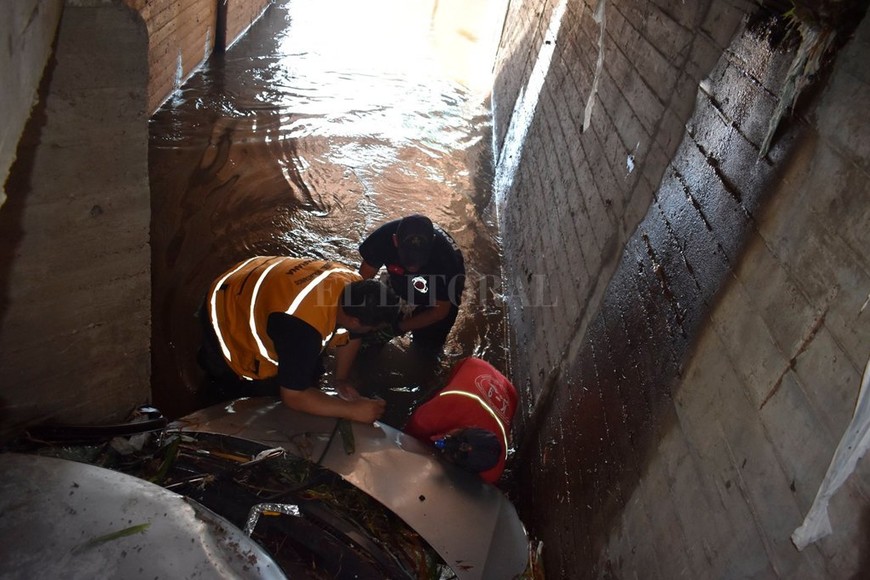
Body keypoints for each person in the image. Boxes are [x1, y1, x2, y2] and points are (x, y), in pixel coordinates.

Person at [198, 256, 400, 423]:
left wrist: (340, 380)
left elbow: (353, 334)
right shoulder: (302, 329)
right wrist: (353, 411)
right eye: (373, 328)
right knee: (238, 386)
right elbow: (293, 396)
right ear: (355, 320)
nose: (372, 332)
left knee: (305, 372)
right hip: (226, 305)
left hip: (258, 278)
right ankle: (204, 415)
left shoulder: (353, 284)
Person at [403, 357, 518, 484]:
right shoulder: (434, 412)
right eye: (452, 438)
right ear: (466, 427)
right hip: (473, 366)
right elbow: (408, 438)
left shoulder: (491, 473)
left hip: (508, 391)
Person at [358, 214, 465, 347]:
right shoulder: (381, 240)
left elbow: (439, 312)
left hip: (440, 289)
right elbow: (361, 284)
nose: (413, 267)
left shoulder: (446, 260)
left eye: (419, 260)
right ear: (395, 240)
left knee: (427, 347)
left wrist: (396, 329)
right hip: (399, 280)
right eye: (407, 259)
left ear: (433, 242)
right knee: (366, 329)